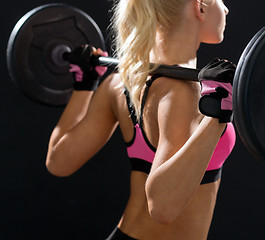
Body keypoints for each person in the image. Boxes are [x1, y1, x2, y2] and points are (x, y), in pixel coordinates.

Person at [45, 0, 236, 239]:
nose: (226, 9)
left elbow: (58, 161)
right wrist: (215, 117)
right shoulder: (184, 93)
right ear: (200, 7)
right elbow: (162, 208)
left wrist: (85, 85)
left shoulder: (120, 83)